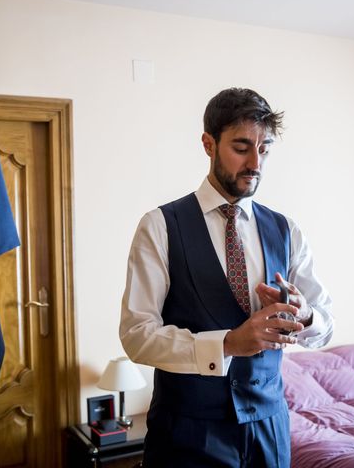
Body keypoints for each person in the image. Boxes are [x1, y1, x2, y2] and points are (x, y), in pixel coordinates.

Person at [119, 87, 334, 467]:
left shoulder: (287, 230)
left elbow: (326, 326)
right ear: (208, 144)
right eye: (241, 147)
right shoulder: (160, 226)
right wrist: (229, 343)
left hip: (269, 428)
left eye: (264, 148)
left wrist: (306, 315)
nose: (256, 162)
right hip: (186, 433)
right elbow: (137, 336)